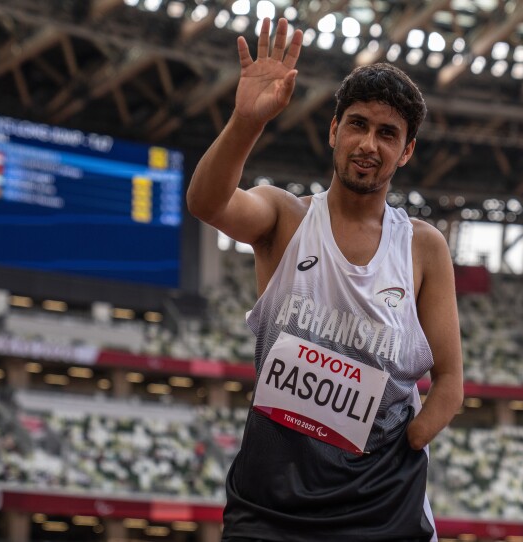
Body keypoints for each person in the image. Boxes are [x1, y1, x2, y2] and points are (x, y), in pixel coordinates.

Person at [187, 17, 463, 542]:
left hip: (383, 509)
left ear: (405, 152)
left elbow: (450, 383)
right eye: (357, 124)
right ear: (334, 129)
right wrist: (247, 121)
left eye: (388, 134)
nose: (368, 143)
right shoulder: (284, 217)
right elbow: (206, 202)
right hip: (270, 507)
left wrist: (401, 444)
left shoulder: (422, 247)